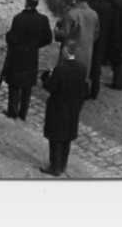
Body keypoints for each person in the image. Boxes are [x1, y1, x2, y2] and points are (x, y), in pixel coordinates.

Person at [2, 0, 54, 120]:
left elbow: (12, 38)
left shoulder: (19, 18)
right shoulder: (42, 19)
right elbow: (48, 38)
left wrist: (8, 37)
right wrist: (36, 45)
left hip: (18, 55)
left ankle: (12, 110)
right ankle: (23, 112)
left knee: (14, 84)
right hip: (32, 55)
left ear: (26, 3)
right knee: (27, 85)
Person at [41, 41, 89, 176]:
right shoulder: (82, 68)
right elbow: (84, 89)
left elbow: (51, 87)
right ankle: (62, 165)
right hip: (72, 109)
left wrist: (45, 77)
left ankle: (54, 167)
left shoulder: (60, 68)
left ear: (66, 51)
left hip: (58, 107)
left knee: (55, 138)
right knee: (66, 139)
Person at [59, 0, 100, 77]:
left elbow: (64, 34)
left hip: (71, 50)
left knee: (67, 77)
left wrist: (56, 31)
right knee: (82, 77)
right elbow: (96, 33)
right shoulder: (94, 14)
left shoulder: (72, 13)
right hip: (87, 51)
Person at [86, 0, 115, 98]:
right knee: (96, 65)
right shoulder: (108, 7)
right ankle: (95, 90)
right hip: (102, 39)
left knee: (87, 63)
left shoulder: (90, 5)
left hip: (89, 37)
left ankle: (84, 88)